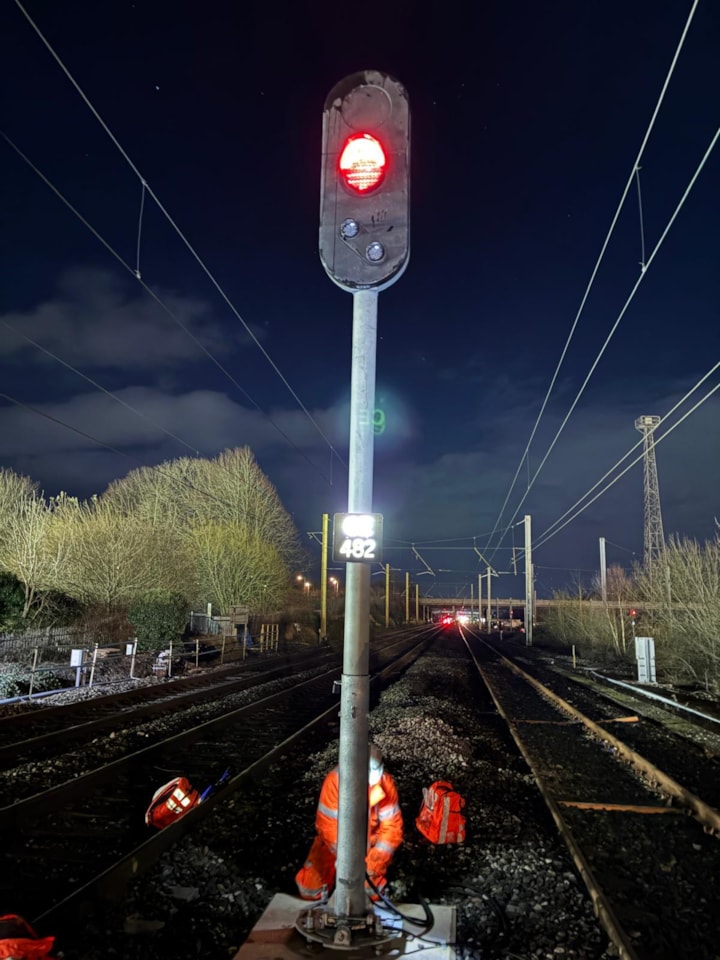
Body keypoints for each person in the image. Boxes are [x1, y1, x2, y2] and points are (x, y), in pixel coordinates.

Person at [295, 743, 403, 901]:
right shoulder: (335, 782)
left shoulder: (385, 784)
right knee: (310, 889)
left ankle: (367, 887)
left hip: (369, 845)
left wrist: (375, 861)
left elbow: (392, 828)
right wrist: (347, 858)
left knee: (370, 893)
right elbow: (328, 826)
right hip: (336, 844)